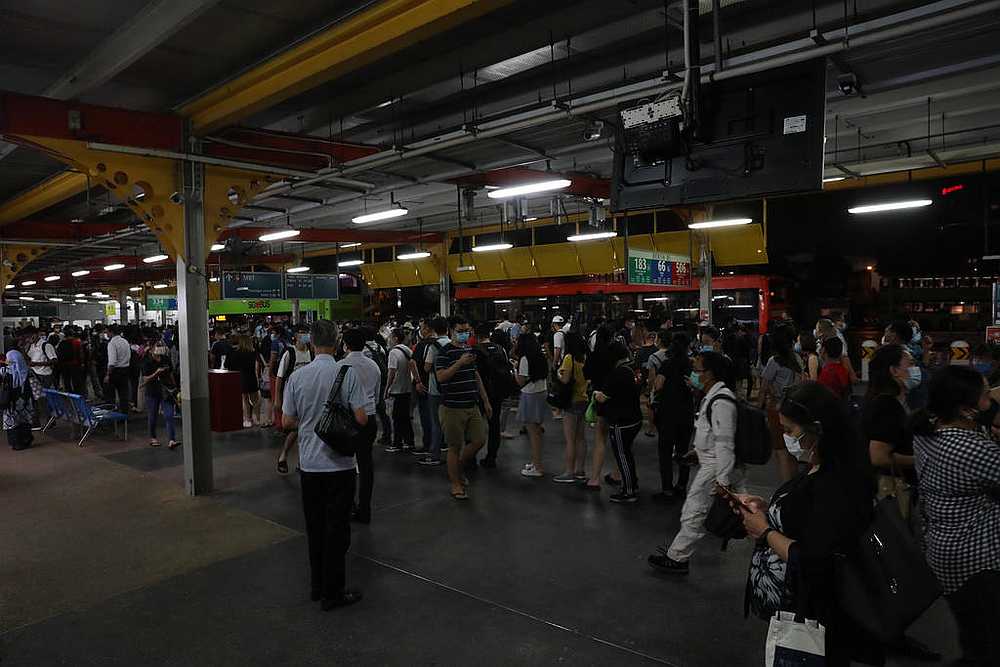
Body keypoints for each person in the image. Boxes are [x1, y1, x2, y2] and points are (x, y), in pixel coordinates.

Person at [739, 382, 881, 667]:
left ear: (817, 428)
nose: (787, 437)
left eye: (790, 430)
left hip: (820, 611)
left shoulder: (838, 482)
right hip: (805, 603)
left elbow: (814, 558)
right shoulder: (824, 461)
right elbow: (809, 515)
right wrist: (771, 509)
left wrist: (764, 531)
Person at [911, 366, 1000, 666]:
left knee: (973, 632)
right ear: (966, 409)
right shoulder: (973, 448)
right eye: (986, 396)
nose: (991, 401)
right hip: (978, 559)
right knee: (988, 644)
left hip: (943, 551)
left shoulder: (926, 432)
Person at [282, 320, 367, 610]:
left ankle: (317, 585)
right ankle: (334, 593)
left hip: (309, 466)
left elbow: (286, 422)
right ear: (337, 341)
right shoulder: (347, 374)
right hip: (341, 466)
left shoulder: (297, 377)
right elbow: (362, 418)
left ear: (311, 343)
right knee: (337, 530)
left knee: (315, 528)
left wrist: (310, 420)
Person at [648, 351, 742, 573]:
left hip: (717, 466)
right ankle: (677, 554)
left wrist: (722, 480)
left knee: (694, 511)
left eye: (698, 370)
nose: (694, 374)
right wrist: (697, 452)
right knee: (699, 510)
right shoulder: (712, 397)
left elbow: (725, 443)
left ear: (710, 374)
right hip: (714, 463)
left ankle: (678, 558)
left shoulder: (721, 402)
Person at [434, 316, 492, 500]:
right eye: (460, 330)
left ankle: (457, 466)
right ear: (451, 331)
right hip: (452, 407)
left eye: (466, 330)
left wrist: (485, 400)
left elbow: (475, 375)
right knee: (454, 446)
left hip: (471, 404)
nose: (464, 334)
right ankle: (456, 484)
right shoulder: (444, 353)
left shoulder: (469, 349)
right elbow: (441, 377)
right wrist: (459, 363)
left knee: (479, 440)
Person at [863, 344, 919, 512]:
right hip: (890, 487)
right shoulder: (886, 405)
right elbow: (878, 456)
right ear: (894, 371)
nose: (914, 369)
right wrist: (921, 460)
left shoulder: (894, 402)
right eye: (910, 364)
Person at [594, 343, 642, 503]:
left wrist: (595, 394)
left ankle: (628, 491)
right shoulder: (630, 369)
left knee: (622, 455)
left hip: (622, 421)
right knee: (627, 454)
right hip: (635, 417)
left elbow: (603, 397)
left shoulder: (617, 373)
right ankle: (632, 484)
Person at [651, 332, 694, 501]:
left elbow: (658, 385)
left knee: (665, 451)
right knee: (683, 452)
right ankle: (682, 486)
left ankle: (667, 489)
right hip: (686, 412)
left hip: (668, 412)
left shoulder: (667, 364)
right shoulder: (690, 365)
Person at [760, 325, 803, 482]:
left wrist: (759, 407)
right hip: (792, 408)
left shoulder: (774, 361)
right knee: (792, 449)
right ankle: (795, 482)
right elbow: (801, 381)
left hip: (776, 408)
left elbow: (764, 386)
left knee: (780, 450)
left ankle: (787, 487)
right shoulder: (797, 359)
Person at [276, 327, 315, 475]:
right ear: (296, 336)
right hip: (291, 396)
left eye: (307, 333)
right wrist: (278, 400)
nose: (306, 336)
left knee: (303, 428)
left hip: (308, 395)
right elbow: (280, 378)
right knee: (295, 428)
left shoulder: (312, 353)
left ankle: (297, 460)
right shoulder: (289, 353)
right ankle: (284, 455)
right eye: (303, 333)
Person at [583, 324, 617, 490]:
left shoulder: (594, 355)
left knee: (600, 438)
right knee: (619, 441)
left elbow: (586, 374)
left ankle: (595, 478)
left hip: (600, 397)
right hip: (617, 398)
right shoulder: (616, 354)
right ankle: (618, 474)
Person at [476, 325, 513, 469]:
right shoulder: (500, 349)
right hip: (497, 392)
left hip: (480, 393)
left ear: (476, 335)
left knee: (475, 426)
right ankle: (491, 457)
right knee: (494, 425)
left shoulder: (475, 351)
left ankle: (471, 458)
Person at [554, 331, 589, 483]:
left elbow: (565, 379)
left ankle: (569, 472)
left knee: (570, 439)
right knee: (581, 438)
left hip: (571, 401)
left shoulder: (569, 358)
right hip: (583, 399)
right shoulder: (584, 358)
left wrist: (557, 374)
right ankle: (580, 470)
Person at [515, 330, 549, 479]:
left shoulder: (524, 359)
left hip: (530, 395)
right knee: (536, 431)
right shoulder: (540, 356)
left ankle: (538, 467)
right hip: (541, 392)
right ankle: (535, 462)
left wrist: (514, 371)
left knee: (533, 433)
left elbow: (520, 381)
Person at [418, 317, 451, 467]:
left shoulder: (433, 346)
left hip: (435, 388)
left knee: (436, 423)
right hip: (451, 387)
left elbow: (426, 367)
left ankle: (435, 454)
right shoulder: (453, 343)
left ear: (433, 330)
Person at [384, 328, 414, 453]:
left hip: (397, 389)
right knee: (405, 417)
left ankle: (397, 443)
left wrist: (386, 389)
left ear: (395, 338)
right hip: (407, 388)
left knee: (396, 418)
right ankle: (409, 441)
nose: (389, 339)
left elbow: (391, 372)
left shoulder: (393, 352)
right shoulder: (407, 349)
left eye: (391, 337)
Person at [142, 345, 178, 449]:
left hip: (166, 391)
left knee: (169, 415)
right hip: (152, 392)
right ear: (151, 349)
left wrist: (175, 387)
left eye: (160, 346)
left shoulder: (165, 359)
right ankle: (153, 437)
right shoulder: (147, 362)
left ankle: (172, 439)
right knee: (153, 415)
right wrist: (156, 373)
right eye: (157, 346)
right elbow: (145, 379)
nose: (159, 349)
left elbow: (170, 373)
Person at [3, 343, 35, 450]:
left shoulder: (4, 371)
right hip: (24, 402)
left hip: (10, 402)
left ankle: (15, 443)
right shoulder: (27, 371)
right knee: (24, 421)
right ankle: (23, 441)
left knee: (13, 422)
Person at [224, 334, 261, 428]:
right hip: (252, 376)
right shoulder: (253, 352)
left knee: (244, 399)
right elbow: (257, 366)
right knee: (255, 400)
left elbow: (228, 365)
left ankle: (247, 419)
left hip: (241, 377)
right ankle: (256, 418)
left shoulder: (236, 353)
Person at [410, 320, 435, 455]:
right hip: (440, 386)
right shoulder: (445, 343)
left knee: (426, 416)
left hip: (424, 386)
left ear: (427, 329)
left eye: (422, 328)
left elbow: (412, 362)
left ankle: (427, 444)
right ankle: (440, 443)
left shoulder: (422, 345)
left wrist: (418, 381)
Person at [26, 327, 57, 426]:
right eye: (28, 336)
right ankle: (39, 420)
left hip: (45, 376)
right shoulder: (31, 346)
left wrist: (37, 364)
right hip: (35, 375)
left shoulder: (46, 345)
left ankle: (50, 420)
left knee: (45, 399)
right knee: (37, 398)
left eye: (31, 336)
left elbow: (54, 360)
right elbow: (29, 358)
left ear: (37, 334)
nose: (30, 338)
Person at [105, 325, 131, 415]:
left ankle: (112, 415)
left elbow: (112, 362)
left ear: (111, 332)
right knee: (124, 394)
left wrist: (108, 375)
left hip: (115, 371)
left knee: (110, 395)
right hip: (125, 370)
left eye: (107, 332)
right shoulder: (125, 341)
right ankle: (125, 414)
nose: (106, 334)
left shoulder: (112, 343)